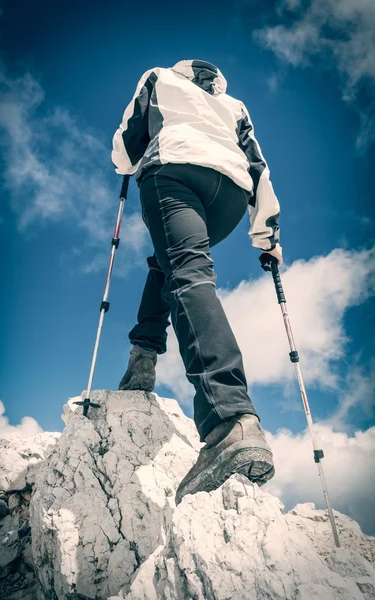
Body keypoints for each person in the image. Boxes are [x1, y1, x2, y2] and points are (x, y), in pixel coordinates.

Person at [111, 59, 282, 505]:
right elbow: (258, 165)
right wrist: (267, 235)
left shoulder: (158, 76)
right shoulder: (235, 104)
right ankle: (143, 354)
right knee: (173, 264)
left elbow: (128, 143)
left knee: (186, 274)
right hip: (228, 191)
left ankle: (230, 418)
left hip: (176, 168)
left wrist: (127, 162)